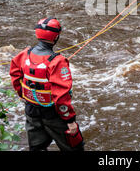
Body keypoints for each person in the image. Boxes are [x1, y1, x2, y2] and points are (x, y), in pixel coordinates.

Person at [9, 17, 84, 151]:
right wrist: (70, 121)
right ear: (56, 37)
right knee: (75, 147)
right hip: (52, 115)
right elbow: (61, 96)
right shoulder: (57, 61)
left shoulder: (23, 55)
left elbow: (15, 76)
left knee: (37, 148)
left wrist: (23, 95)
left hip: (31, 111)